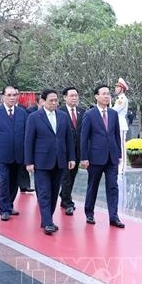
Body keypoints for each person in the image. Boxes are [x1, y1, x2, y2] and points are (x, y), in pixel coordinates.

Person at [24, 89, 75, 235]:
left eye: (55, 100)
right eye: (51, 100)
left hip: (59, 160)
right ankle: (47, 223)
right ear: (43, 101)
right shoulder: (34, 117)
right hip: (41, 161)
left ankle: (47, 219)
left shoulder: (63, 116)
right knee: (44, 192)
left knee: (54, 192)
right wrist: (29, 162)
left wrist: (71, 157)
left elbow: (68, 139)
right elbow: (29, 141)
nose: (54, 103)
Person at [79, 84, 125, 228]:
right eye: (103, 93)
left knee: (113, 187)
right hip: (95, 157)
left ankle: (113, 216)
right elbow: (84, 138)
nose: (107, 96)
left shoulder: (113, 113)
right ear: (96, 96)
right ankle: (89, 213)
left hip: (111, 157)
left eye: (108, 94)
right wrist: (84, 157)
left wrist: (118, 154)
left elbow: (116, 135)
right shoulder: (89, 114)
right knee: (93, 186)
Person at [0, 86, 27, 221]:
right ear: (3, 96)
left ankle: (9, 205)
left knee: (14, 182)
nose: (12, 98)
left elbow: (26, 135)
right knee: (4, 181)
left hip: (19, 154)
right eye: (9, 95)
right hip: (2, 155)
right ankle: (3, 209)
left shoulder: (22, 113)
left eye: (14, 95)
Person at [59, 86, 86, 216]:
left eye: (76, 95)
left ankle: (64, 193)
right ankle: (67, 202)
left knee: (72, 175)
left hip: (78, 150)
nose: (74, 98)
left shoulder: (82, 111)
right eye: (71, 96)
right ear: (65, 97)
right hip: (64, 150)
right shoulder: (60, 112)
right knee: (66, 176)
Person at [112, 78, 130, 174]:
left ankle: (122, 168)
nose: (115, 88)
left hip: (121, 125)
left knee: (122, 146)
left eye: (117, 87)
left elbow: (115, 110)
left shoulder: (122, 99)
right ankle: (119, 166)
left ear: (122, 88)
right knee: (118, 145)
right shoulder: (119, 99)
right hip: (117, 124)